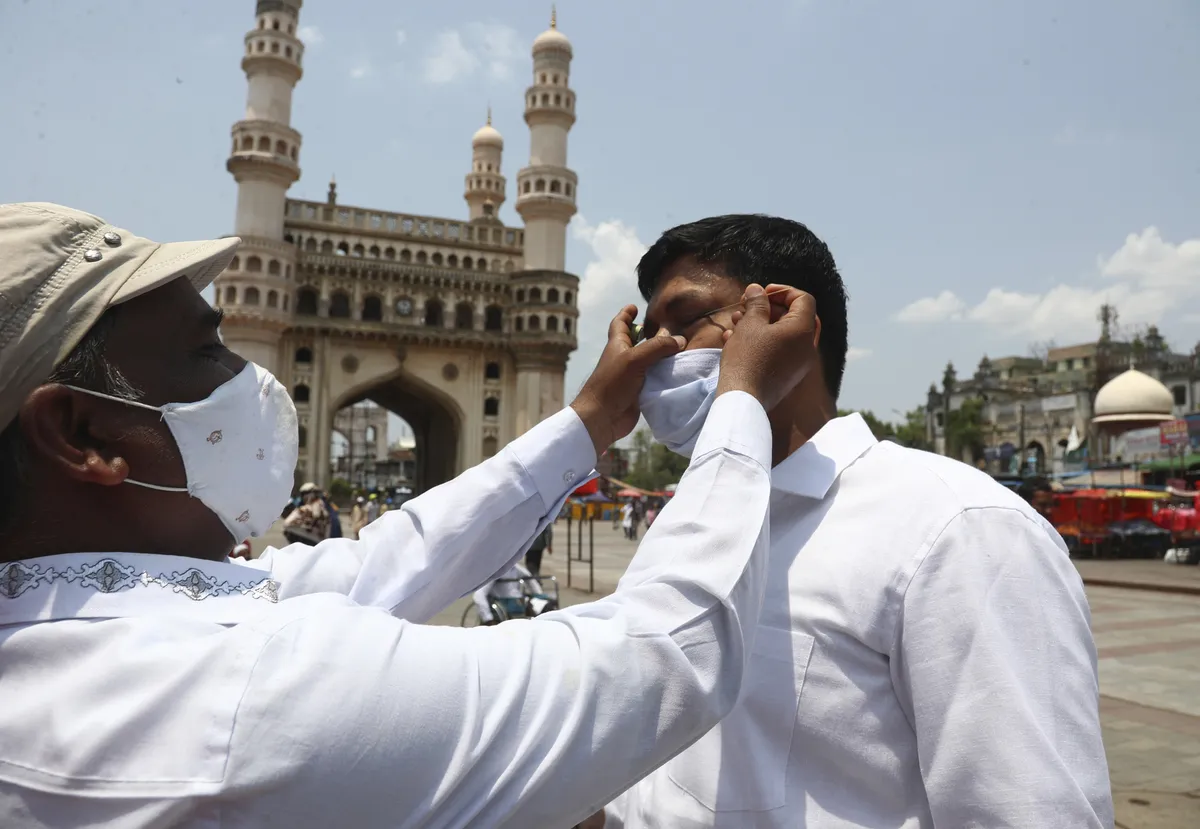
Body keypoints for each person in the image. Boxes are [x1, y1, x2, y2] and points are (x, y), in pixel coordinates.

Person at [0, 202, 817, 828]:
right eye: (205, 354)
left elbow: (390, 558)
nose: (243, 376)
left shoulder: (73, 624)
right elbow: (663, 656)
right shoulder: (250, 692)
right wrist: (740, 399)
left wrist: (587, 426)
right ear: (81, 433)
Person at [600, 214, 1112, 828]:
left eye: (684, 323)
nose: (657, 353)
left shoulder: (955, 530)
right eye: (649, 332)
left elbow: (1025, 812)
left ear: (789, 322)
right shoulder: (685, 521)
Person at [282, 482, 330, 546]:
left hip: (311, 539)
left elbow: (287, 523)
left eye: (304, 494)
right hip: (319, 540)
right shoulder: (322, 505)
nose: (303, 496)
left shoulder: (312, 507)